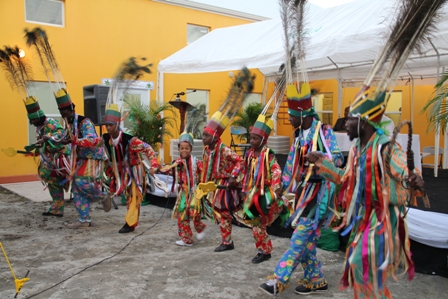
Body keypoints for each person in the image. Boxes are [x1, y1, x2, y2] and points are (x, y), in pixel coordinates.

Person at [306, 108, 424, 299]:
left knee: (362, 267)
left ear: (364, 122)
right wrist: (322, 162)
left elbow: (404, 169)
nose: (344, 124)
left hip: (383, 218)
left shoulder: (386, 147)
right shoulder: (357, 149)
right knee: (362, 270)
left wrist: (414, 177)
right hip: (365, 217)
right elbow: (345, 179)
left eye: (349, 119)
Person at [259, 82, 344, 295]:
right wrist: (282, 186)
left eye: (290, 115)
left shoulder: (324, 131)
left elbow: (339, 159)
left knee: (300, 236)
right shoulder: (298, 136)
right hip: (303, 194)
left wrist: (321, 158)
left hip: (320, 194)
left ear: (301, 112)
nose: (288, 119)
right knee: (305, 240)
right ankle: (316, 279)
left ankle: (278, 278)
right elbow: (291, 165)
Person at [102, 104, 159, 233]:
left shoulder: (130, 140)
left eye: (111, 124)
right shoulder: (107, 140)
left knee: (133, 197)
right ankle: (131, 221)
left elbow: (147, 148)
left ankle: (130, 223)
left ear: (117, 124)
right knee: (128, 197)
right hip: (121, 171)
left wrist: (154, 165)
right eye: (107, 125)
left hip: (135, 171)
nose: (108, 127)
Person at [58, 97, 107, 229]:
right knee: (76, 187)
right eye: (62, 113)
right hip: (81, 158)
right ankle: (84, 220)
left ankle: (102, 195)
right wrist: (50, 141)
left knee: (81, 181)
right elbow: (63, 138)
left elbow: (93, 140)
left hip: (93, 157)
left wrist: (77, 141)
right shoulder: (68, 124)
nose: (64, 116)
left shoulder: (85, 122)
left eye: (66, 113)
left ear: (73, 110)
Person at [239, 115, 282, 263]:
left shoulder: (267, 154)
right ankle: (263, 250)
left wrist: (276, 189)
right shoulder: (250, 153)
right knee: (256, 225)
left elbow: (276, 170)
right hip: (252, 193)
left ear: (263, 140)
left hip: (263, 194)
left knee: (258, 225)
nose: (251, 141)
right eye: (251, 138)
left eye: (255, 139)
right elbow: (245, 169)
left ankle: (264, 251)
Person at [202, 113, 243, 252]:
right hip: (216, 184)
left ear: (214, 137)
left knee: (225, 213)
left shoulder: (224, 150)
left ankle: (227, 242)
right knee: (221, 213)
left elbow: (240, 161)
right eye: (203, 135)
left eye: (206, 136)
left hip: (225, 185)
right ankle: (227, 241)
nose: (203, 138)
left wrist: (233, 176)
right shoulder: (207, 151)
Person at [162, 132, 206, 246]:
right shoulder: (176, 163)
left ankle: (200, 228)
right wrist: (157, 169)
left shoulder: (197, 162)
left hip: (195, 191)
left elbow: (204, 174)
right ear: (178, 149)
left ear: (191, 149)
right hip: (183, 192)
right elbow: (167, 169)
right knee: (182, 213)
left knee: (193, 211)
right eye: (182, 148)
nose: (184, 151)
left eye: (187, 148)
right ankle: (187, 239)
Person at [29, 99, 71, 218]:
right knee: (51, 180)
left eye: (34, 119)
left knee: (63, 179)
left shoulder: (51, 122)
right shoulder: (39, 127)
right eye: (31, 120)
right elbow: (42, 142)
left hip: (59, 157)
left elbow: (62, 133)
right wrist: (37, 146)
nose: (32, 122)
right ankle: (57, 207)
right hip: (49, 158)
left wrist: (48, 137)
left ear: (40, 117)